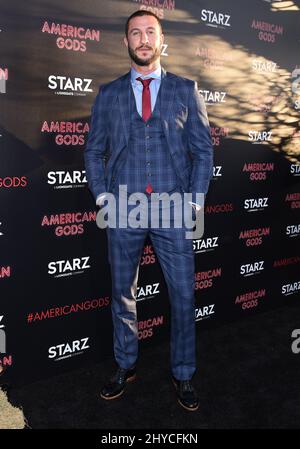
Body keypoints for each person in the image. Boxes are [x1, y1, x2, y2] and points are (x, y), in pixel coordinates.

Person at [84, 10, 213, 411]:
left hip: (174, 208)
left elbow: (203, 151)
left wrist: (194, 200)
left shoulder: (185, 89)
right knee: (123, 293)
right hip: (124, 209)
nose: (143, 39)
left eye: (150, 32)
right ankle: (126, 364)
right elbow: (93, 149)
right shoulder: (108, 94)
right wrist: (103, 196)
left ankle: (184, 372)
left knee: (184, 295)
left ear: (161, 39)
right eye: (135, 33)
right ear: (126, 42)